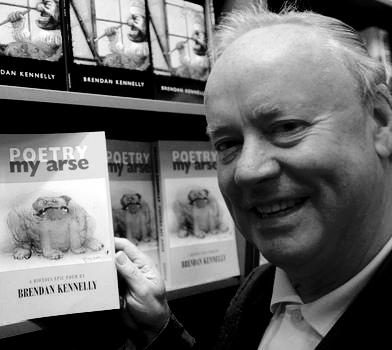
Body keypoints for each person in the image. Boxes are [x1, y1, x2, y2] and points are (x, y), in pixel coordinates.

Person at [115, 2, 392, 349]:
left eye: (286, 128)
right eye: (228, 143)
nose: (247, 170)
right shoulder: (259, 290)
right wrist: (158, 330)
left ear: (380, 120)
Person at [102, 0, 149, 71]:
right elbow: (126, 60)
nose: (129, 22)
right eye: (131, 18)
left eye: (135, 18)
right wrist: (113, 40)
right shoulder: (137, 47)